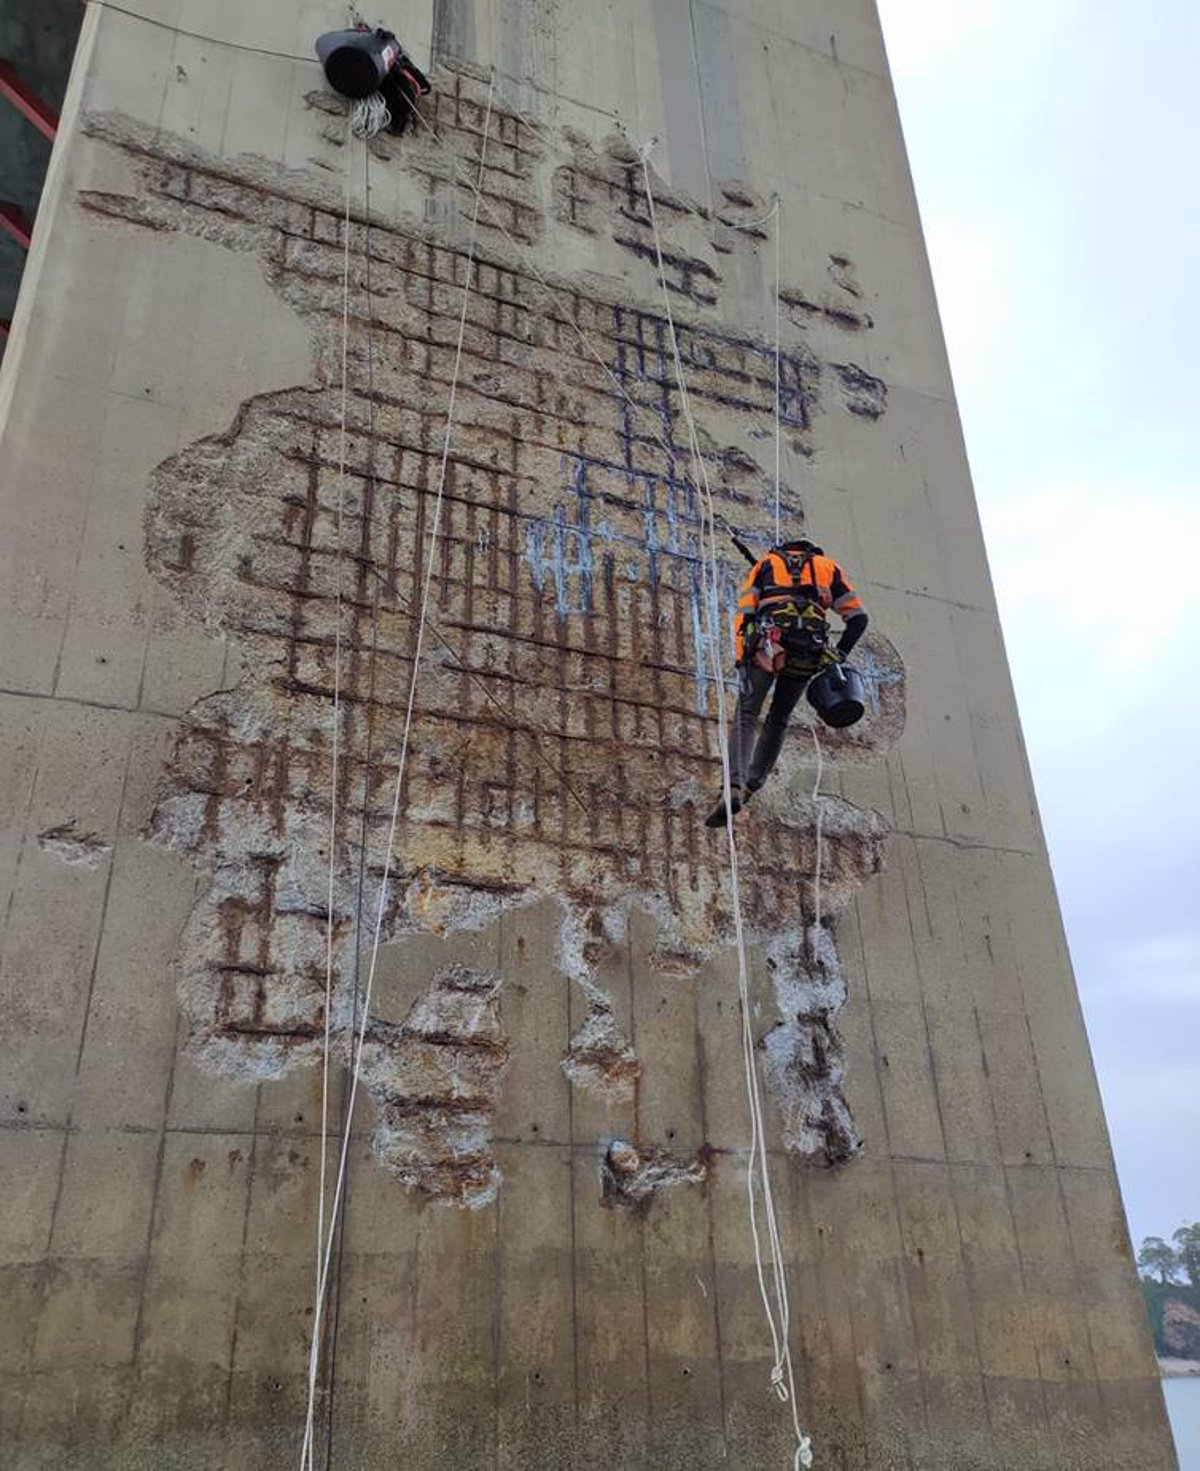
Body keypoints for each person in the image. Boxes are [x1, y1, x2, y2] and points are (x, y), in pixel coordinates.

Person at [705, 536, 868, 827]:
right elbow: (858, 618)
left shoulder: (766, 565)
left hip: (769, 646)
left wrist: (742, 659)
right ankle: (752, 784)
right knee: (779, 718)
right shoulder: (827, 568)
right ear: (811, 550)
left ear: (784, 549)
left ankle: (733, 787)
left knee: (746, 714)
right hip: (808, 651)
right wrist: (839, 654)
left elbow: (744, 615)